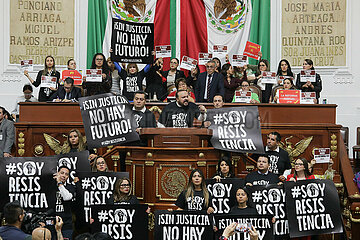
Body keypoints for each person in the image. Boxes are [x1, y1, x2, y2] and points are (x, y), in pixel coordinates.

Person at [53, 166, 76, 239]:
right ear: (57, 173)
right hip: (52, 224)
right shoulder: (50, 186)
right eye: (62, 173)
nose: (64, 176)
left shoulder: (71, 187)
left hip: (66, 225)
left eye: (66, 174)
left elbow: (67, 197)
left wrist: (59, 183)